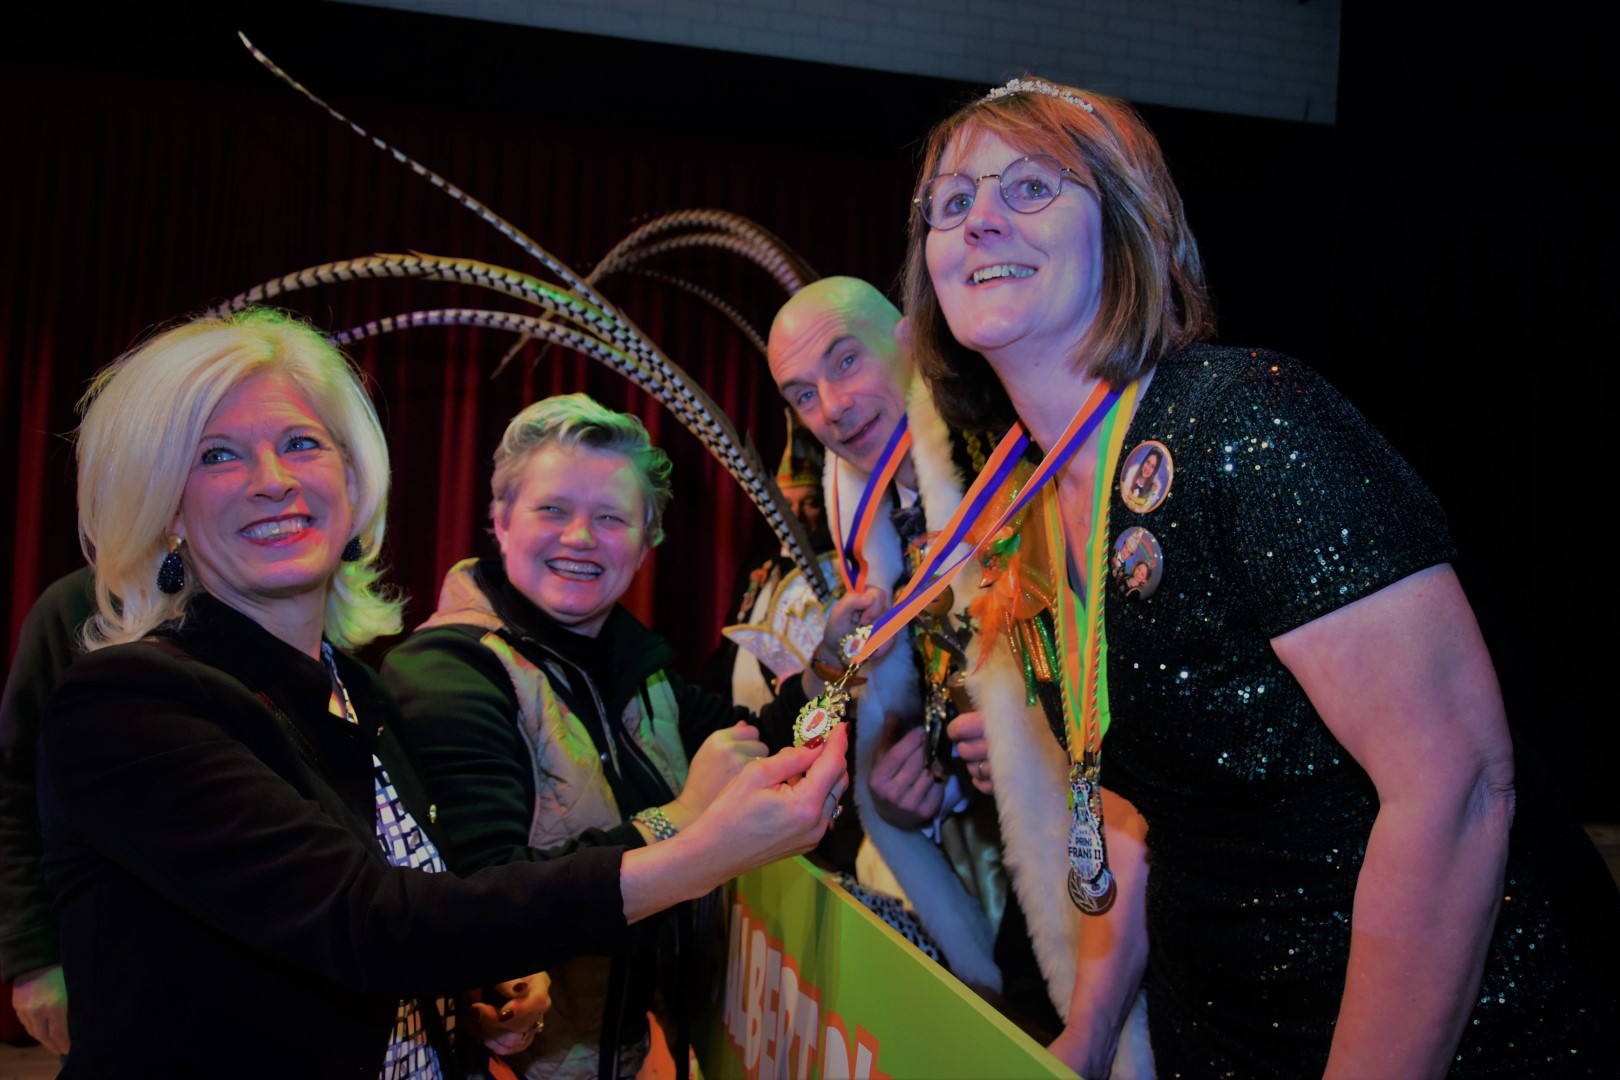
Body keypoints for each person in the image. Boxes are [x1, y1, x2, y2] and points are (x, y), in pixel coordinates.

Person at [904, 76, 1620, 1078]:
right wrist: (1091, 1029)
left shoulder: (1249, 422)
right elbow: (1135, 801)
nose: (978, 220)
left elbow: (1455, 792)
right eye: (949, 202)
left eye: (1029, 188)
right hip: (1220, 1031)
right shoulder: (1028, 500)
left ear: (1128, 227)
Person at [36, 308, 847, 1078]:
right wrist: (694, 848)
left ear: (352, 478)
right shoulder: (128, 704)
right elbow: (365, 922)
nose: (272, 481)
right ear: (166, 508)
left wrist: (468, 996)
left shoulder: (354, 689)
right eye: (217, 456)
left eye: (301, 443)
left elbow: (423, 910)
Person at [379, 393, 864, 1080]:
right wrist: (682, 816)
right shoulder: (448, 671)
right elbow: (482, 900)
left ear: (645, 543)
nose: (580, 537)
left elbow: (759, 746)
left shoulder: (638, 669)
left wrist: (830, 669)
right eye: (553, 510)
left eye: (610, 518)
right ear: (501, 521)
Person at [766, 276, 1151, 1059]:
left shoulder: (1020, 451)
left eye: (845, 361)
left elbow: (1143, 665)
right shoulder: (871, 525)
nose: (831, 407)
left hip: (1130, 876)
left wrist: (1029, 733)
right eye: (802, 394)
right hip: (1017, 888)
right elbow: (942, 699)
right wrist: (918, 790)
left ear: (909, 342)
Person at [0, 566, 93, 1057]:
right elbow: (14, 788)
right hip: (116, 972)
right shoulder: (75, 606)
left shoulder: (305, 602)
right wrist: (32, 955)